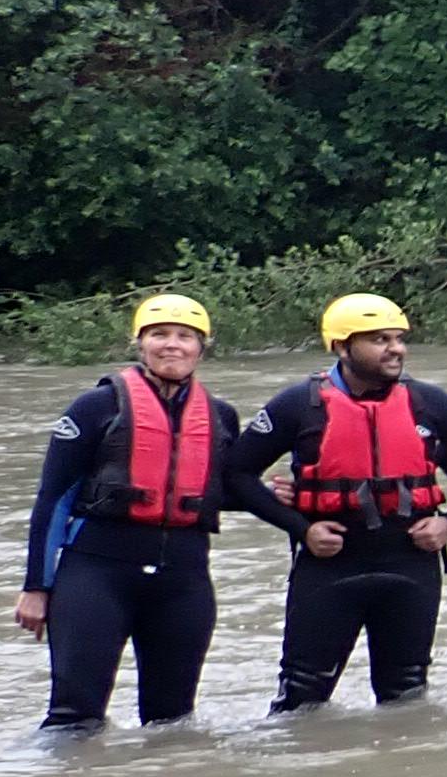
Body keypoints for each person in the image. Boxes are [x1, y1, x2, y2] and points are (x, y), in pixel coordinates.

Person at [230, 291, 447, 711]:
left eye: (399, 339)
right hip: (330, 565)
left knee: (407, 699)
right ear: (342, 347)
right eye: (379, 340)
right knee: (300, 700)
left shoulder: (427, 402)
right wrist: (301, 528)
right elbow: (238, 473)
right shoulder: (299, 405)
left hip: (410, 565)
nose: (395, 349)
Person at [18, 290, 270, 730]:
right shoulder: (95, 406)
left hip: (183, 580)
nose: (172, 345)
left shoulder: (221, 416)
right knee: (73, 719)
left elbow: (221, 493)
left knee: (172, 723)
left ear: (202, 347)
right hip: (97, 574)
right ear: (139, 343)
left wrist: (281, 497)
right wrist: (36, 587)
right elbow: (53, 499)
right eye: (159, 334)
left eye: (185, 336)